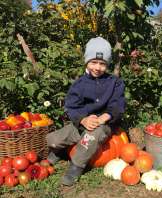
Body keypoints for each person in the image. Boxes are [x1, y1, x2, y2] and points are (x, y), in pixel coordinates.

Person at [46, 37, 125, 186]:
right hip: (82, 122)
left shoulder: (115, 83)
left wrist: (102, 119)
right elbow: (72, 106)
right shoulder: (79, 84)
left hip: (104, 124)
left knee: (90, 139)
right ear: (87, 61)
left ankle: (76, 166)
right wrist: (83, 120)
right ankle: (60, 151)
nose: (97, 67)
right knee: (53, 140)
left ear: (107, 64)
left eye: (102, 64)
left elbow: (117, 106)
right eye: (93, 62)